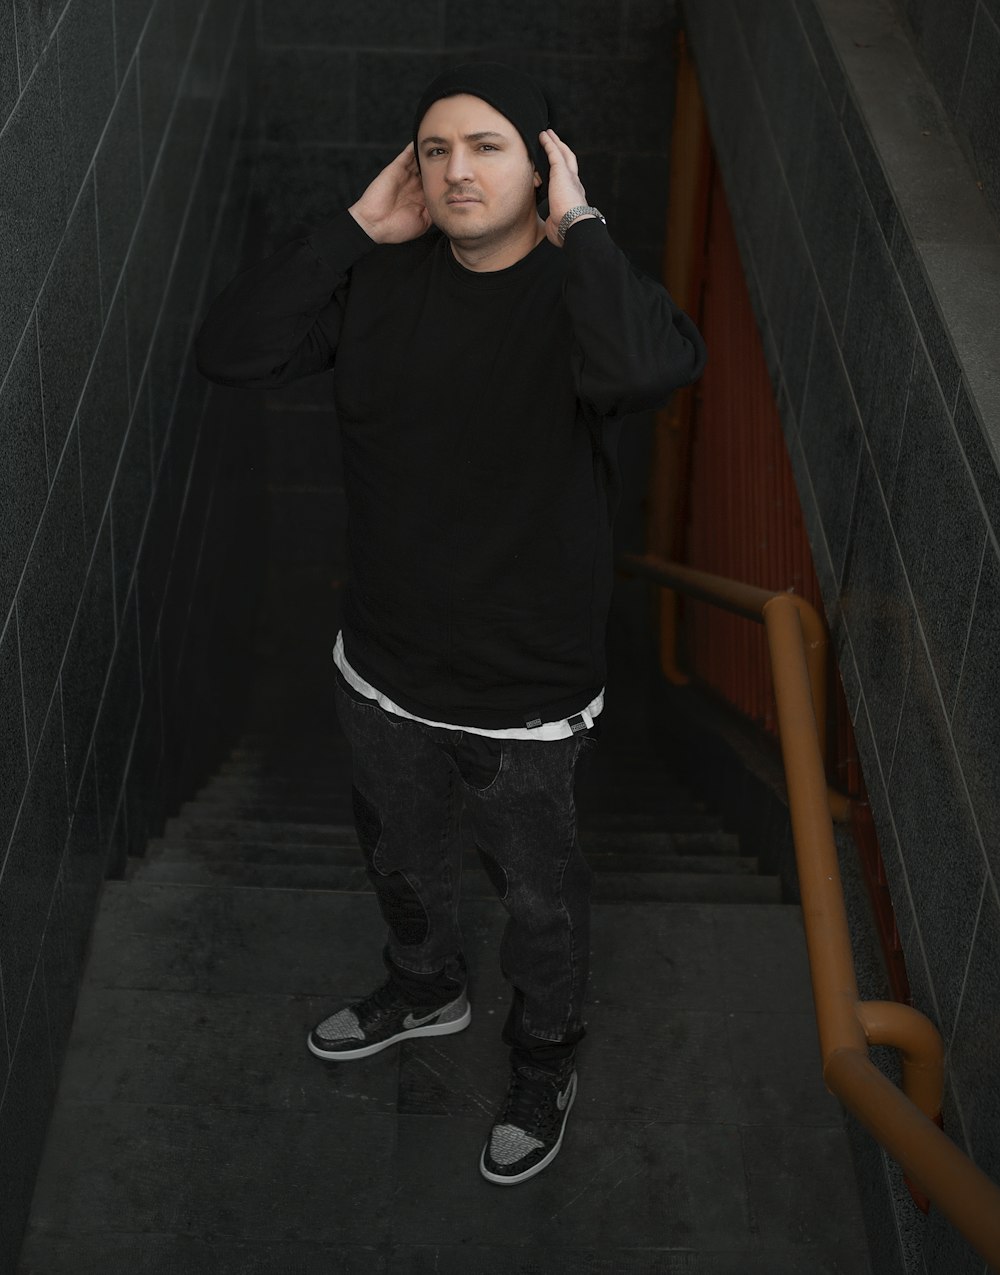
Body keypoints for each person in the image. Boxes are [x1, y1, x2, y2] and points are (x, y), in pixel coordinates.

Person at [196, 61, 706, 1186]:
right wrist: (349, 232)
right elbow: (231, 352)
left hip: (526, 693)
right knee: (404, 861)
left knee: (538, 905)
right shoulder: (380, 281)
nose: (456, 168)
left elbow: (648, 368)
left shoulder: (584, 296)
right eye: (435, 150)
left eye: (486, 146)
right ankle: (425, 991)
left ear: (543, 164)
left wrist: (580, 226)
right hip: (383, 666)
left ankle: (543, 1057)